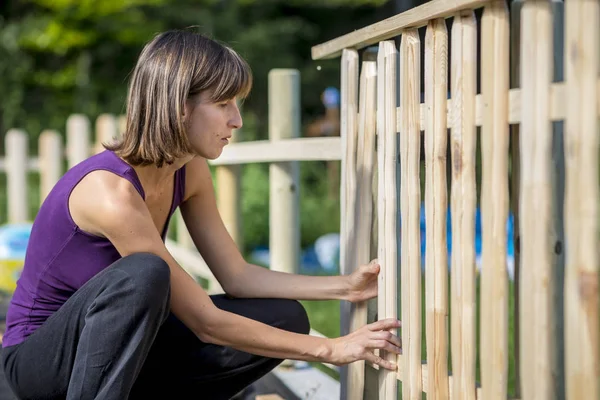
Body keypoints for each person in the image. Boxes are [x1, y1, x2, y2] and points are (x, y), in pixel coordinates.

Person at [0, 30, 402, 400]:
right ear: (178, 106)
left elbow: (238, 277)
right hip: (38, 369)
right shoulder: (111, 193)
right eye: (223, 103)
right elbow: (204, 321)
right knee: (145, 273)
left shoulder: (188, 170)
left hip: (120, 352)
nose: (237, 120)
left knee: (284, 317)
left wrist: (346, 287)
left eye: (237, 104)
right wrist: (330, 348)